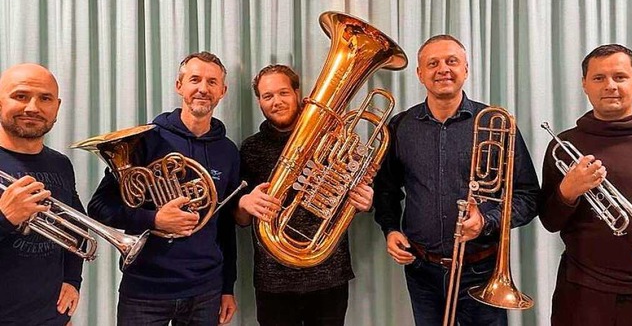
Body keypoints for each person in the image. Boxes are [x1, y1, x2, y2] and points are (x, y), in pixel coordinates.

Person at [373, 35, 540, 325]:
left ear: (466, 69)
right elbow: (386, 190)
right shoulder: (401, 126)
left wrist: (486, 221)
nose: (443, 69)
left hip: (481, 269)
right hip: (422, 270)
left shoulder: (496, 124)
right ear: (420, 73)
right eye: (432, 63)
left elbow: (528, 197)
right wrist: (390, 228)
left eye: (452, 61)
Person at [88, 52, 241, 325]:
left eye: (212, 82)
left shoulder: (227, 151)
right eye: (194, 79)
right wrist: (154, 219)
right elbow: (98, 207)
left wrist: (227, 286)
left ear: (222, 91)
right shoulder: (144, 141)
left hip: (205, 290)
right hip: (145, 289)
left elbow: (225, 225)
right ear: (179, 85)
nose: (203, 89)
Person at [235, 64, 374, 326]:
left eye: (283, 93)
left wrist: (364, 200)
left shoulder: (335, 139)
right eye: (268, 96)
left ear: (298, 93)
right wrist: (245, 203)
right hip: (273, 279)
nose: (276, 101)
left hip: (328, 273)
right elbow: (241, 219)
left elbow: (356, 192)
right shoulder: (251, 148)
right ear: (259, 102)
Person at [540, 44, 632, 325]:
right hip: (582, 292)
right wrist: (567, 192)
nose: (610, 85)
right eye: (598, 78)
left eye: (619, 77)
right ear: (584, 85)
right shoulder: (565, 144)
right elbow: (549, 221)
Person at [0, 63, 85, 325]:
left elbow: (77, 229)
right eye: (21, 96)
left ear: (56, 108)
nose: (33, 108)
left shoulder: (60, 164)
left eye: (45, 98)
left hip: (51, 317)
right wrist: (5, 218)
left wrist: (72, 280)